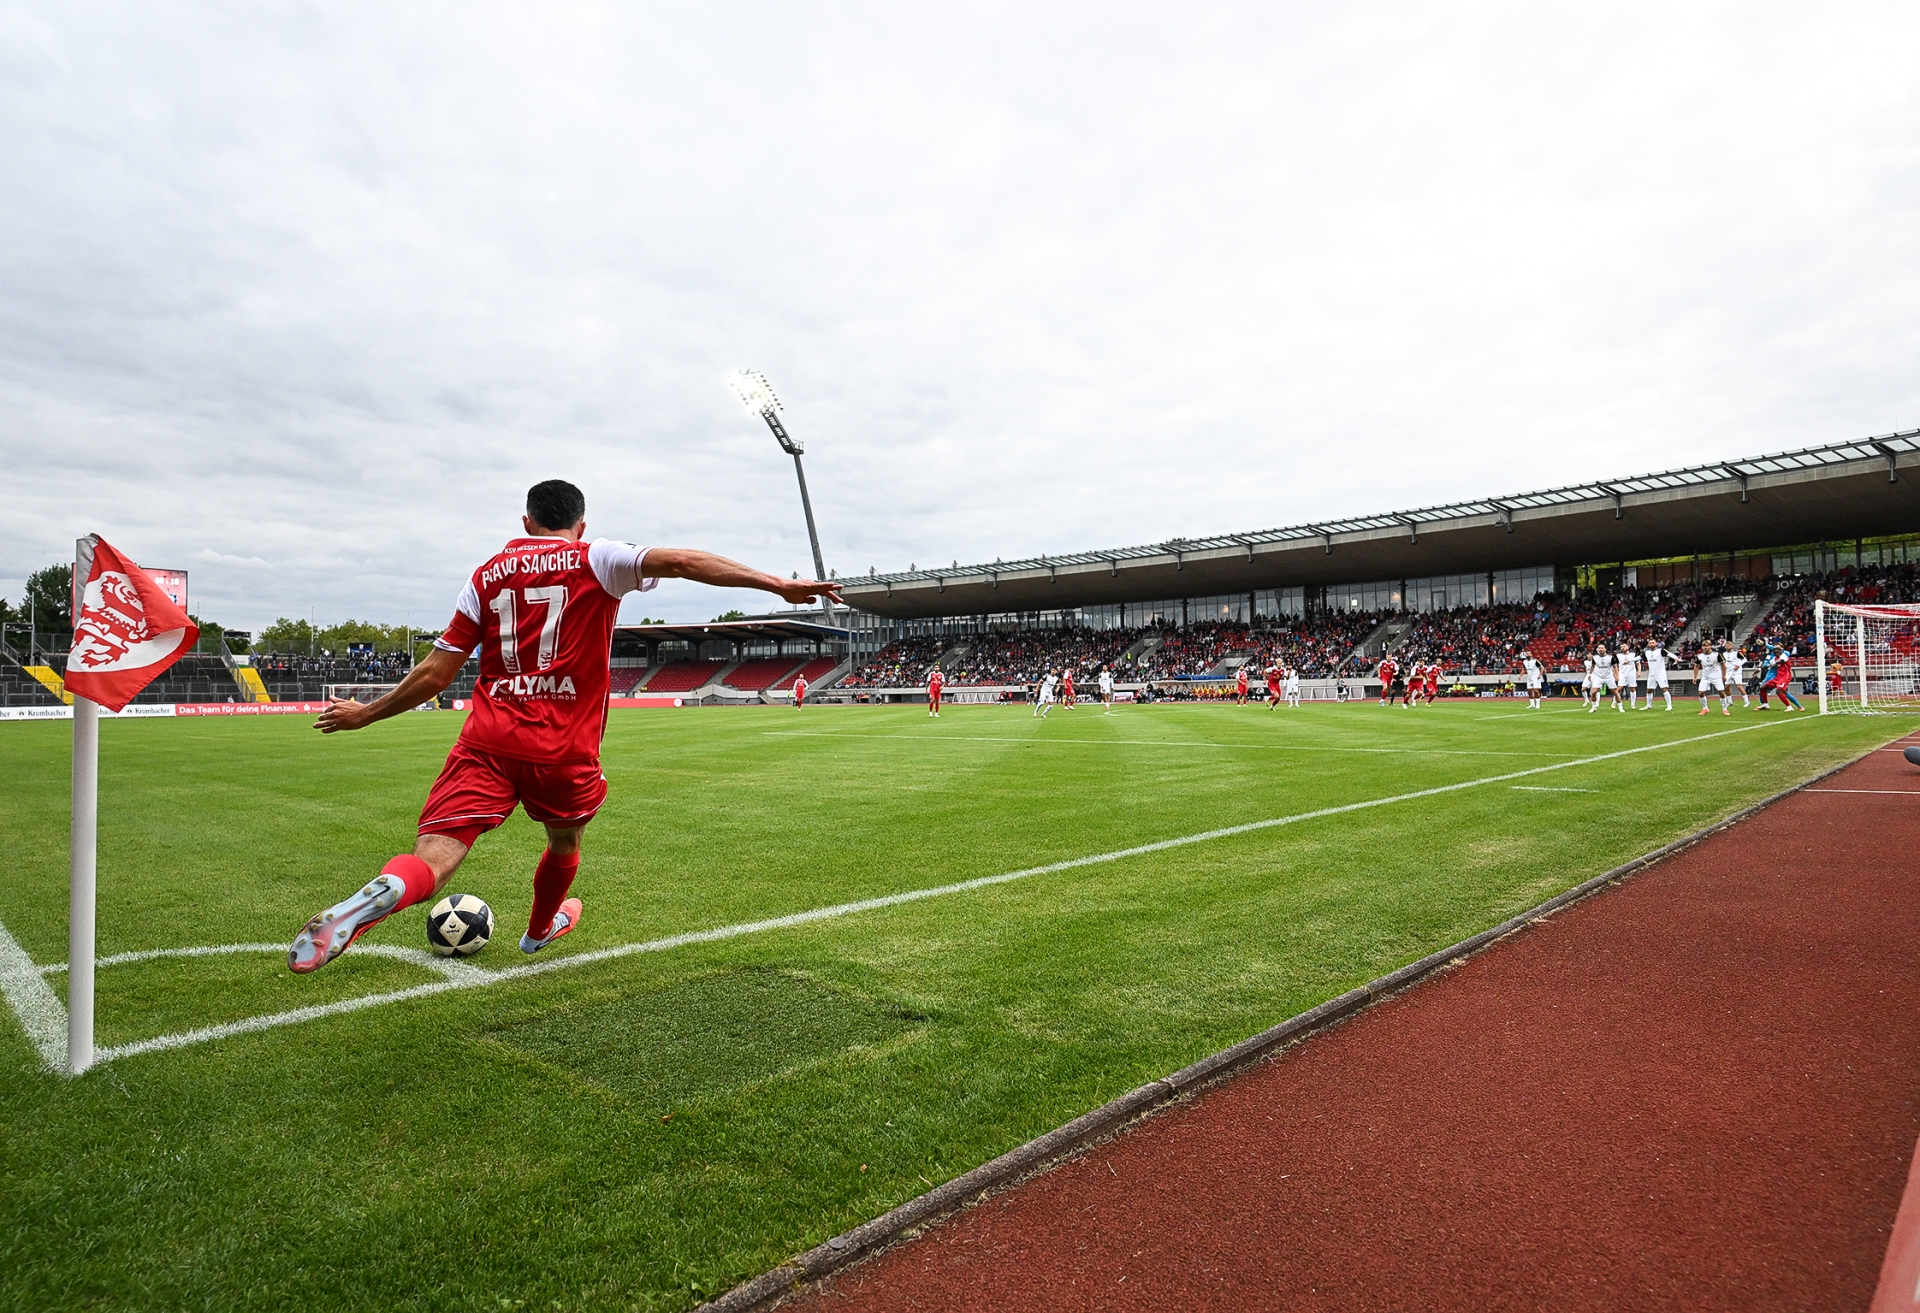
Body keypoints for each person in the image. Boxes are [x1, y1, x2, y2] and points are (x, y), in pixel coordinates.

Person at [288, 479, 841, 974]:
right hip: (563, 747)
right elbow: (680, 561)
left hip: (487, 740)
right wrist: (776, 584)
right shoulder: (594, 557)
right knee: (564, 838)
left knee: (436, 852)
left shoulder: (484, 577)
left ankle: (385, 891)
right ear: (581, 523)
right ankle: (537, 933)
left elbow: (435, 674)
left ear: (526, 522)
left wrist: (364, 713)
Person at [1694, 643, 1728, 716]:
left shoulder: (1717, 654)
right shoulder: (1699, 656)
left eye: (1707, 645)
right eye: (1703, 646)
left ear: (1710, 646)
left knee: (1721, 692)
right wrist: (1695, 677)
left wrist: (1724, 675)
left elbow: (1723, 665)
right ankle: (1705, 708)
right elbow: (1696, 666)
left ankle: (1725, 709)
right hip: (1705, 677)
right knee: (1701, 693)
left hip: (1716, 677)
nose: (1705, 647)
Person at [1643, 639, 1674, 711]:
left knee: (1664, 689)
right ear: (1648, 644)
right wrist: (1630, 660)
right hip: (1651, 674)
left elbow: (1669, 654)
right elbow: (1639, 657)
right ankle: (1648, 706)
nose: (1651, 644)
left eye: (1653, 643)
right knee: (1649, 690)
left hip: (1660, 673)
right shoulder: (1646, 652)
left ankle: (1669, 706)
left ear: (1656, 644)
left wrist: (1676, 658)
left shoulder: (1660, 651)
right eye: (1650, 643)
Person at [1724, 641, 1751, 709]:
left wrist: (1738, 665)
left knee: (1739, 686)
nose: (1727, 647)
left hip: (1736, 672)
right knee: (1727, 687)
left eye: (1729, 645)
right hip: (1728, 672)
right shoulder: (1723, 654)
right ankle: (1729, 701)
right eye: (1726, 645)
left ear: (1731, 646)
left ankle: (1746, 701)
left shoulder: (1736, 653)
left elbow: (1744, 659)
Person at [1615, 643, 1638, 712]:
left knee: (1632, 688)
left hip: (1631, 673)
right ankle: (1614, 701)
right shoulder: (1618, 655)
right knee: (1619, 688)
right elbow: (1615, 665)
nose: (1623, 648)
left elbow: (1638, 663)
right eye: (1621, 647)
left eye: (1624, 646)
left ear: (1628, 647)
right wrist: (1616, 674)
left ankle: (1633, 704)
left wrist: (1639, 671)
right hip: (1622, 673)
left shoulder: (1633, 654)